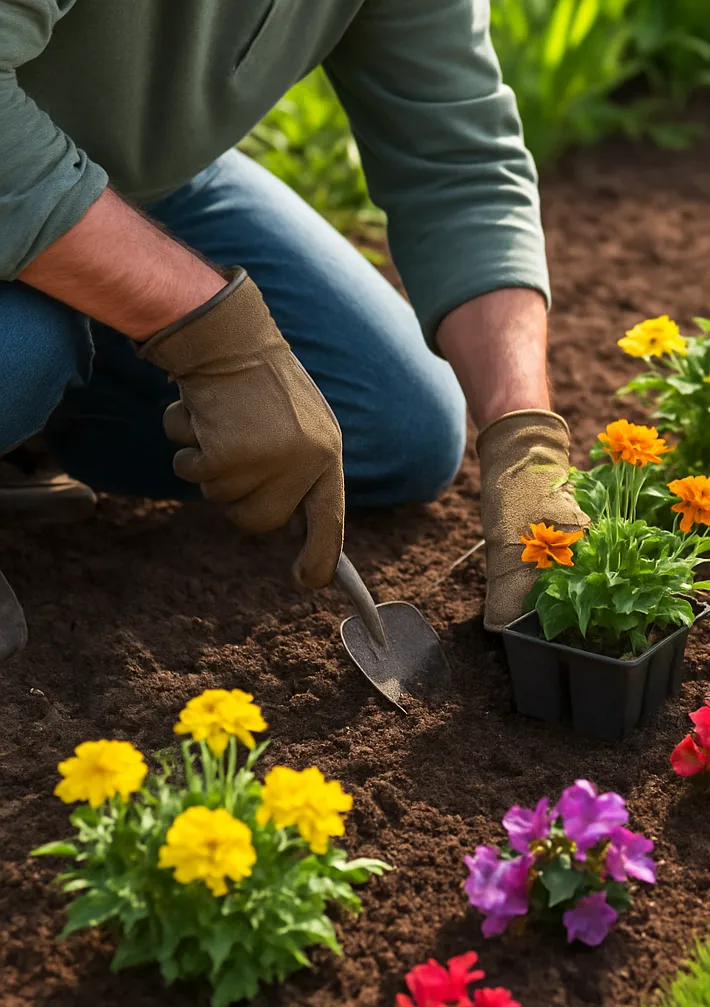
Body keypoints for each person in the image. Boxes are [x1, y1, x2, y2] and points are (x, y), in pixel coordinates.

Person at [0, 0, 589, 661]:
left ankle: (31, 428)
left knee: (392, 424)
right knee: (20, 355)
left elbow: (459, 163)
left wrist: (527, 446)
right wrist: (214, 337)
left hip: (135, 180)